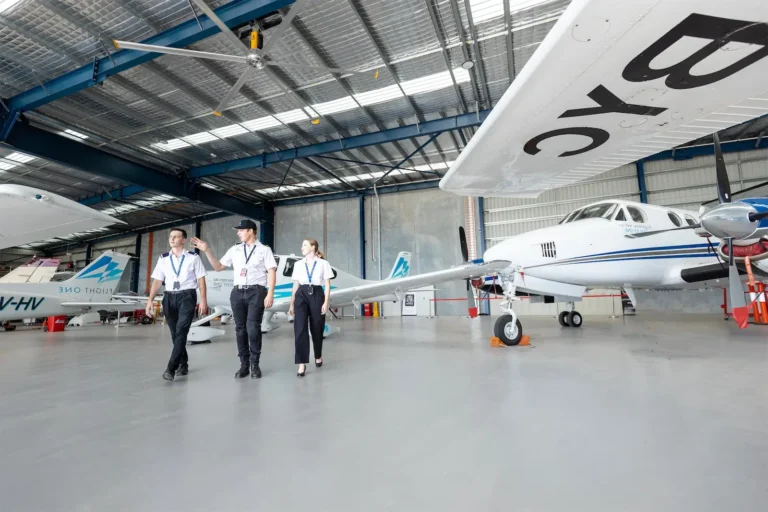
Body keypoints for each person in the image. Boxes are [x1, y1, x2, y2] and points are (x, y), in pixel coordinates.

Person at [191, 219, 276, 379]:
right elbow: (218, 267)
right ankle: (244, 365)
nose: (238, 233)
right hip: (237, 292)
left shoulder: (264, 250)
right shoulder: (235, 249)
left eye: (241, 230)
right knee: (240, 329)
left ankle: (255, 364)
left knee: (253, 327)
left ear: (250, 231)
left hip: (256, 291)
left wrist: (270, 293)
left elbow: (271, 272)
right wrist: (207, 250)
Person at [146, 228, 208, 382]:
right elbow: (157, 281)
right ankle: (184, 364)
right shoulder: (163, 258)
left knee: (181, 331)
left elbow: (201, 280)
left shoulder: (193, 258)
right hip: (168, 297)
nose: (172, 239)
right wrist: (150, 300)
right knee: (175, 334)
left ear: (184, 240)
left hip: (187, 296)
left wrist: (203, 300)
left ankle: (171, 368)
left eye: (176, 236)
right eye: (171, 236)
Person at [289, 239, 332, 377]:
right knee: (299, 328)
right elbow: (295, 285)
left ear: (313, 247)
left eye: (305, 245)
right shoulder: (298, 264)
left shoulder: (323, 264)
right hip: (301, 294)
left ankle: (318, 355)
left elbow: (327, 284)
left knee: (317, 327)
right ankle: (302, 364)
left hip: (317, 294)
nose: (302, 247)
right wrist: (291, 303)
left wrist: (326, 302)